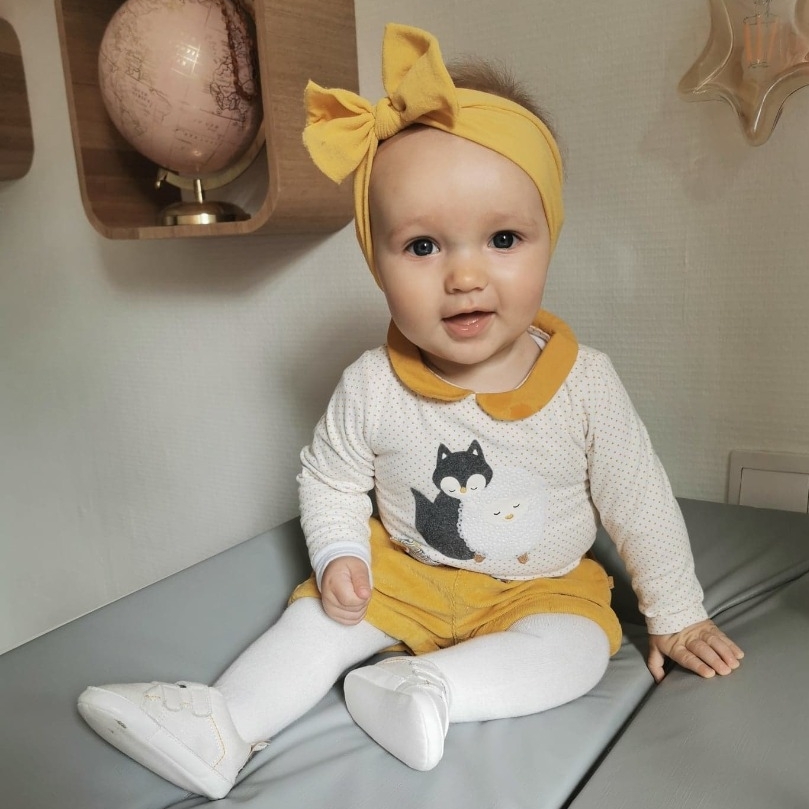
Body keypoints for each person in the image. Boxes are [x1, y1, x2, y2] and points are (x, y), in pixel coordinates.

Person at [77, 23, 744, 801]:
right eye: (423, 246)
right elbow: (329, 479)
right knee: (317, 620)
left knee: (576, 649)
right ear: (377, 263)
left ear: (548, 238)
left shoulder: (583, 384)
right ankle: (220, 721)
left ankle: (426, 690)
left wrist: (675, 613)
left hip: (539, 587)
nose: (463, 276)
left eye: (501, 238)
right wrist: (338, 556)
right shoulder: (372, 385)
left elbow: (638, 499)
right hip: (403, 575)